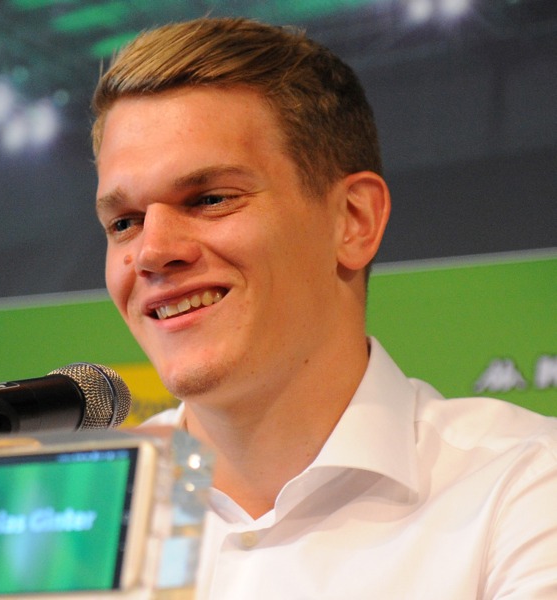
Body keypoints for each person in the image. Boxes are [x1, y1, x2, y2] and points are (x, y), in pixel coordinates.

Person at [91, 17, 557, 598]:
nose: (152, 253)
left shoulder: (527, 483)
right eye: (124, 223)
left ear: (353, 221)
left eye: (210, 199)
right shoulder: (71, 513)